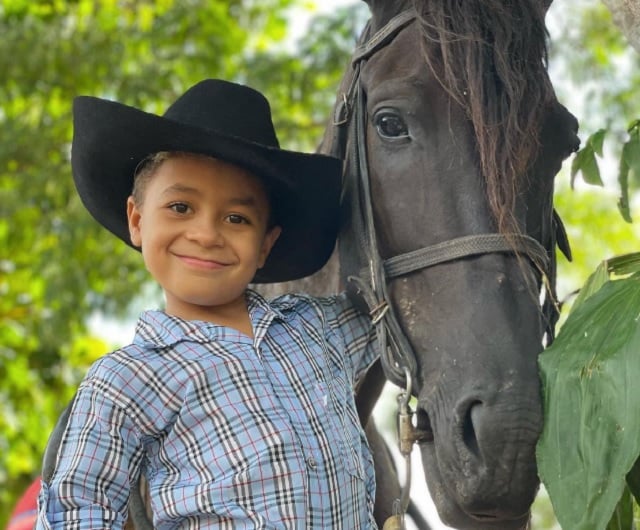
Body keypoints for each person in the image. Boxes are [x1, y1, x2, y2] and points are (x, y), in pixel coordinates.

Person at [35, 79, 378, 530]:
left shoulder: (320, 328)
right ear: (137, 221)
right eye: (180, 207)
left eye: (237, 218)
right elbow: (79, 510)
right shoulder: (125, 380)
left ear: (264, 245)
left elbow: (409, 303)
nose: (206, 234)